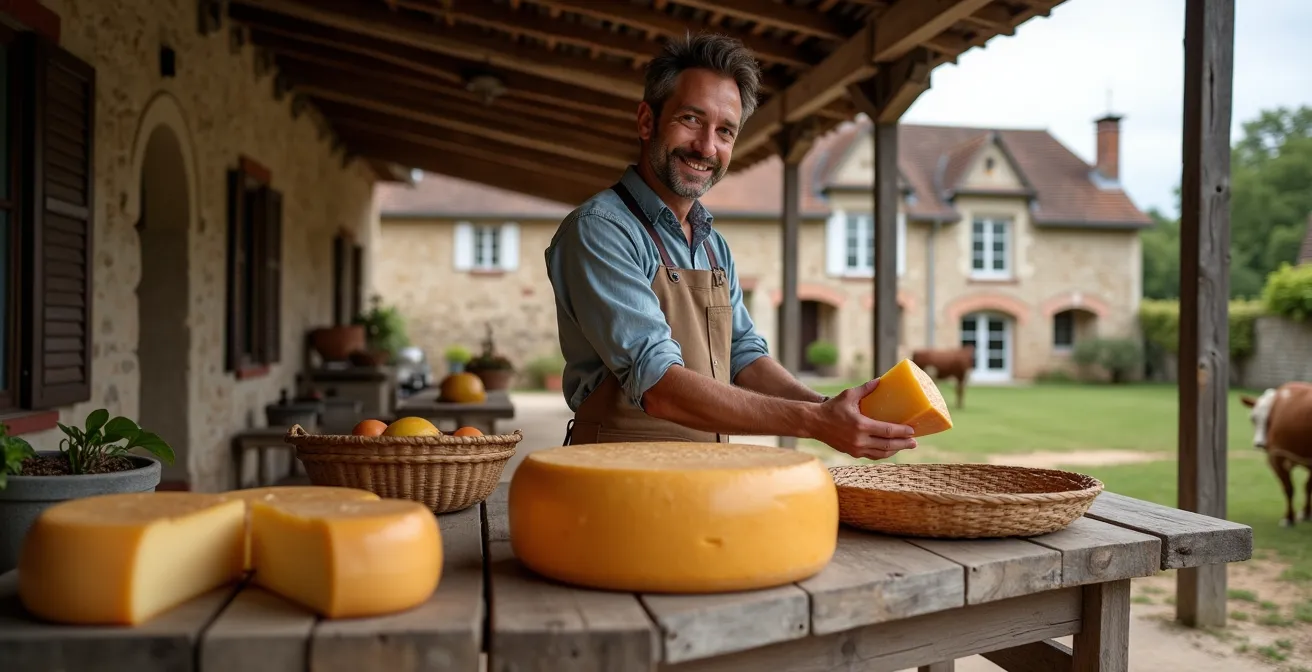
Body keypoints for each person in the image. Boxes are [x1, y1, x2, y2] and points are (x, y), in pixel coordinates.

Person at [543, 33, 916, 461]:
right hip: (617, 482)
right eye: (690, 119)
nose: (707, 146)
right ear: (647, 121)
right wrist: (813, 422)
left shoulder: (712, 245)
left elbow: (744, 355)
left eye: (725, 131)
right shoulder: (601, 230)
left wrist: (827, 408)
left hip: (708, 479)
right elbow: (659, 384)